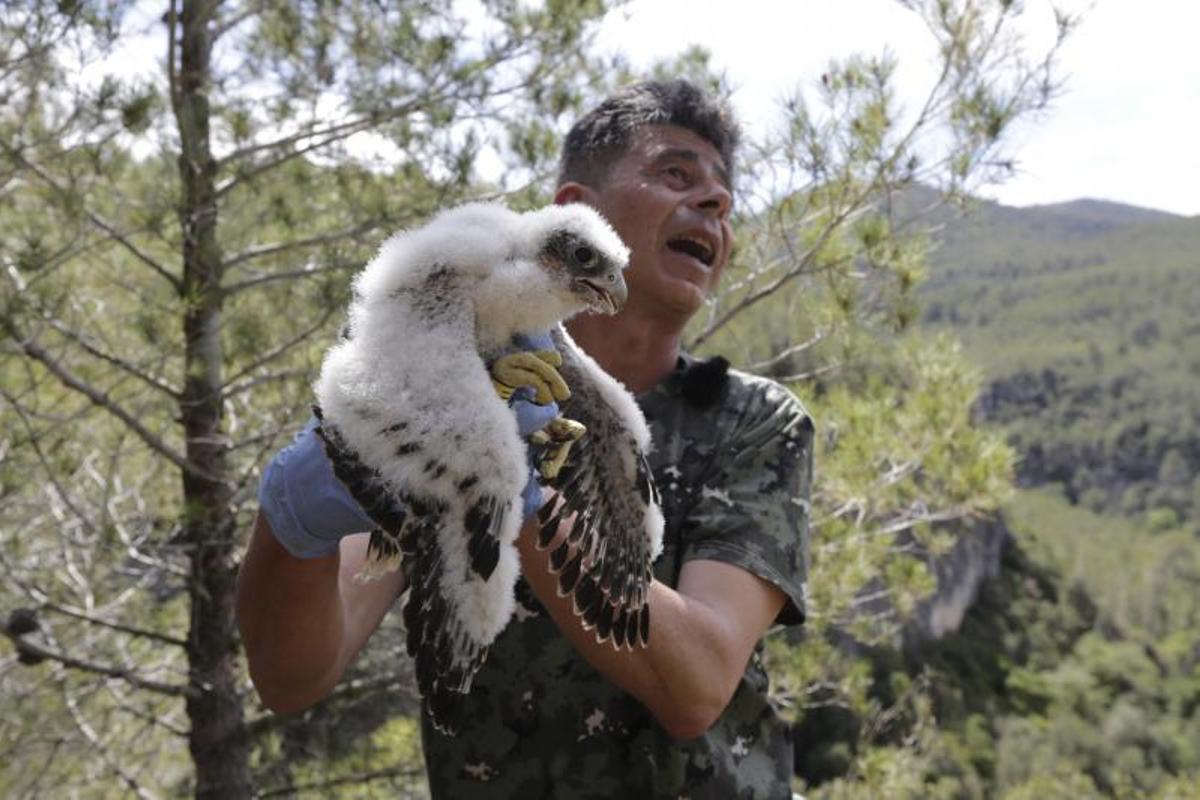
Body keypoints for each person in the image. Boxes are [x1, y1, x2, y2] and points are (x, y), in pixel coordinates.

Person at [238, 79, 814, 799]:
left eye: (723, 191)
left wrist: (514, 490)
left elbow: (697, 685)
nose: (716, 202)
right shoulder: (440, 386)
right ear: (574, 212)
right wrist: (292, 522)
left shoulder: (753, 419)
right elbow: (291, 676)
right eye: (674, 172)